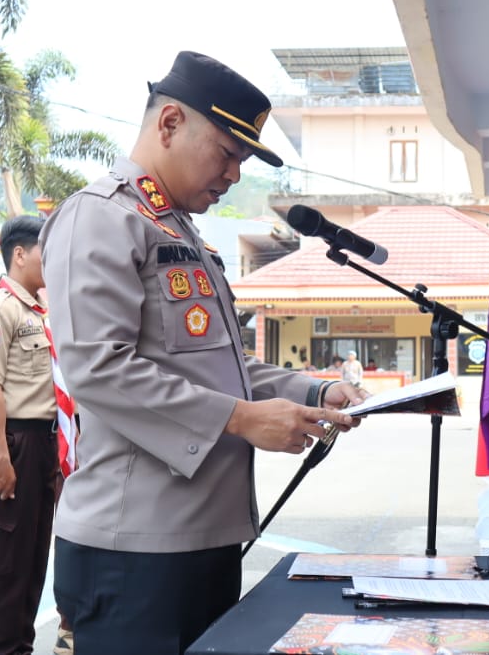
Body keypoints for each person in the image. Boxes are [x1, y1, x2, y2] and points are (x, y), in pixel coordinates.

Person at [40, 50, 364, 654]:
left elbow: (223, 366)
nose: (235, 175)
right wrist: (243, 420)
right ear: (168, 124)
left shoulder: (184, 233)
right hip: (134, 546)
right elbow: (98, 369)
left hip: (203, 536)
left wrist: (315, 391)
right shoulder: (102, 217)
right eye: (228, 153)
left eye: (243, 160)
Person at [0, 215, 61, 654]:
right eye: (46, 248)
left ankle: (19, 647)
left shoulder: (37, 311)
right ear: (19, 254)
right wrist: (0, 459)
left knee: (31, 563)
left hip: (39, 444)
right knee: (5, 568)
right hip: (12, 443)